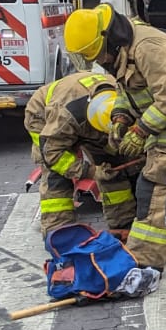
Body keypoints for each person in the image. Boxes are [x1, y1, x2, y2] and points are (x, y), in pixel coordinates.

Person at [63, 4, 166, 269]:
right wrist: (120, 118)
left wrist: (141, 130)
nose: (100, 62)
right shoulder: (123, 48)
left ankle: (143, 261)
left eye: (98, 56)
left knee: (152, 190)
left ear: (107, 38)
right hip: (165, 130)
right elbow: (125, 91)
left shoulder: (149, 48)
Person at [24, 71, 137, 236]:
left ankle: (122, 223)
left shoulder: (123, 99)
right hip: (43, 116)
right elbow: (53, 155)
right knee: (58, 175)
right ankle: (58, 231)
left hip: (92, 119)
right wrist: (91, 171)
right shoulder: (65, 115)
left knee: (112, 166)